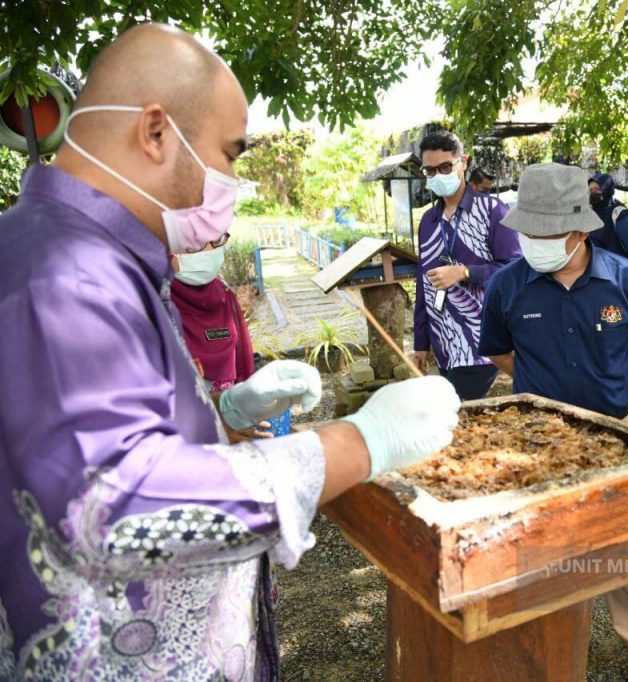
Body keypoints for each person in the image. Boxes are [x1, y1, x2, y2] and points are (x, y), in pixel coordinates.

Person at [0, 24, 460, 679]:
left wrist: (224, 412)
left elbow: (101, 436)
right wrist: (358, 442)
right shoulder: (65, 272)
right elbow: (113, 506)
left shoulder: (100, 258)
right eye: (229, 153)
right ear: (156, 133)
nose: (230, 181)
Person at [479, 162, 628, 682]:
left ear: (580, 227)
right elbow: (500, 352)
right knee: (539, 540)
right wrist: (542, 392)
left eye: (548, 232)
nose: (536, 241)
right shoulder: (506, 287)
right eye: (528, 231)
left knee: (627, 544)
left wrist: (612, 394)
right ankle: (541, 642)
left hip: (618, 427)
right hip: (536, 437)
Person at [413, 129, 521, 400]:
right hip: (443, 344)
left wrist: (464, 272)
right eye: (430, 171)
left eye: (445, 167)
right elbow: (423, 285)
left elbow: (514, 270)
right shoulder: (428, 221)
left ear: (464, 162)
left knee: (456, 416)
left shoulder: (493, 211)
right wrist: (421, 342)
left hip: (479, 343)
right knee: (457, 422)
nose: (438, 175)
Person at [170, 234, 274, 442]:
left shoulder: (224, 295)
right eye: (195, 240)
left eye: (216, 239)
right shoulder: (150, 307)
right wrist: (213, 426)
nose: (210, 250)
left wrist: (243, 409)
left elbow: (242, 365)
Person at [589, 172, 628, 265]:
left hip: (618, 272)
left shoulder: (620, 214)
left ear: (607, 190)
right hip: (596, 271)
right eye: (590, 190)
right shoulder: (589, 214)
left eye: (597, 189)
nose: (593, 193)